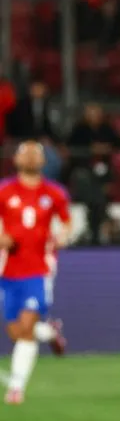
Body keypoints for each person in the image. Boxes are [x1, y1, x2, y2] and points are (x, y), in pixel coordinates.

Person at [0, 141, 71, 405]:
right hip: (8, 271)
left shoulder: (54, 193)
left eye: (35, 152)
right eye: (24, 152)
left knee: (26, 328)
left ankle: (16, 389)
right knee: (16, 332)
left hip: (39, 270)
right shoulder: (5, 191)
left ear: (43, 161)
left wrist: (63, 236)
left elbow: (66, 222)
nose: (30, 156)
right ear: (15, 159)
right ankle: (50, 333)